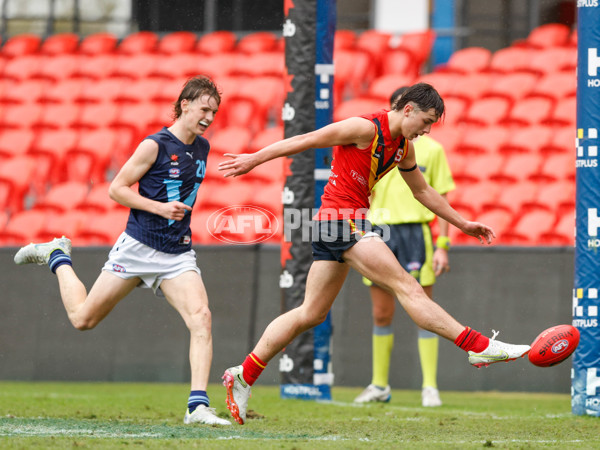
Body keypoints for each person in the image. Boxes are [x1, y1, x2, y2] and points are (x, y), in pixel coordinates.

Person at [217, 82, 530, 425]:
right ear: (407, 109)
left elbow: (422, 190)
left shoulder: (403, 147)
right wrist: (254, 158)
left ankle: (243, 374)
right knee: (407, 286)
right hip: (342, 222)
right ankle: (477, 345)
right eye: (425, 121)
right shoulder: (365, 127)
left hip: (334, 224)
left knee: (311, 313)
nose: (426, 130)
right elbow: (305, 139)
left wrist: (462, 223)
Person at [13, 76, 231, 426]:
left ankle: (197, 407)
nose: (209, 116)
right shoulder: (154, 145)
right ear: (185, 104)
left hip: (176, 253)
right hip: (138, 246)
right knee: (83, 319)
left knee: (201, 317)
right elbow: (117, 189)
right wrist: (160, 208)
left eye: (214, 111)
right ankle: (57, 255)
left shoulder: (202, 148)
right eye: (204, 108)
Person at [354, 86, 454, 407]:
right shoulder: (375, 141)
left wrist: (443, 244)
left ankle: (430, 387)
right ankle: (379, 385)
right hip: (380, 230)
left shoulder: (431, 149)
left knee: (425, 308)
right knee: (381, 313)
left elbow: (441, 196)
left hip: (416, 233)